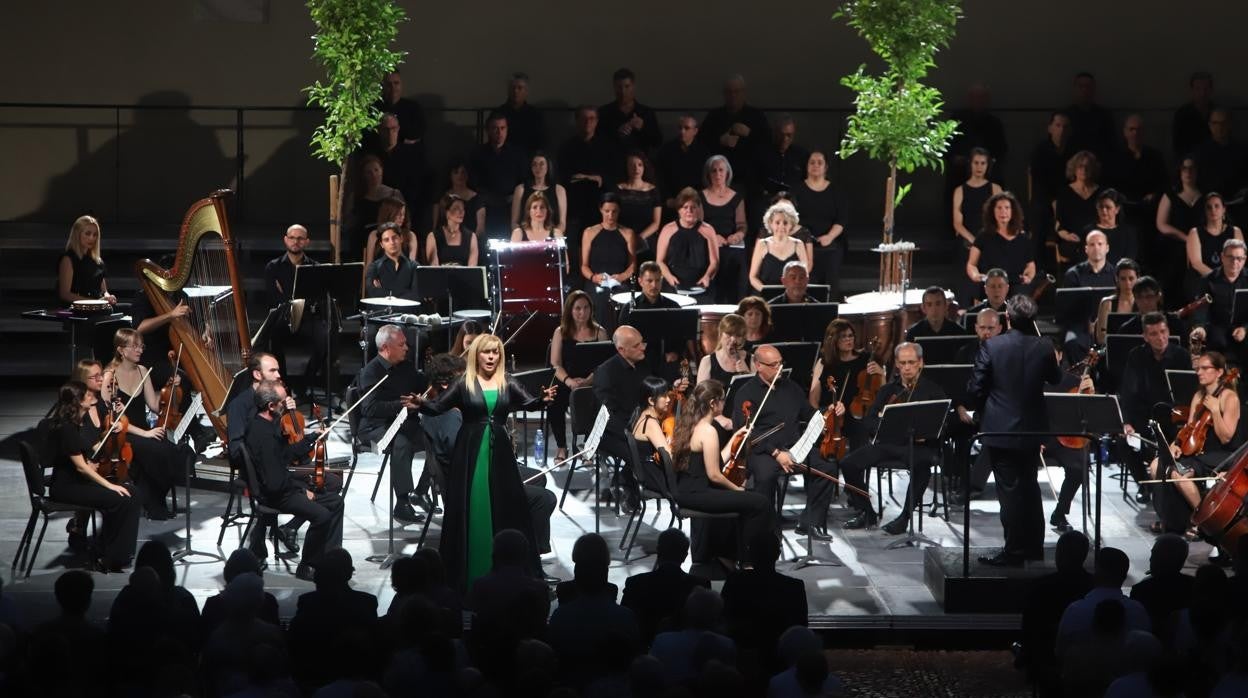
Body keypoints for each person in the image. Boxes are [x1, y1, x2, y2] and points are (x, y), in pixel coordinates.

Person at [413, 334, 556, 589]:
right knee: (476, 506)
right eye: (486, 352)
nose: (491, 357)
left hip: (499, 452)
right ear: (476, 355)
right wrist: (420, 404)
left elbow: (530, 403)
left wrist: (543, 400)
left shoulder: (507, 382)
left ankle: (511, 574)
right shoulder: (462, 382)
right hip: (471, 451)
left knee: (506, 507)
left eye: (495, 353)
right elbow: (437, 408)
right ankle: (473, 574)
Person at [969, 295, 1062, 566]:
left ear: (1007, 318)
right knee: (1030, 487)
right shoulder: (1044, 346)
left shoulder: (992, 346)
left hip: (1000, 430)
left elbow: (976, 388)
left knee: (1009, 491)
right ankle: (1033, 548)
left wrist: (984, 406)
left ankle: (1014, 551)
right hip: (1032, 430)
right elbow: (1055, 378)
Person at [732, 344, 839, 538]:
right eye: (773, 365)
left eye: (780, 363)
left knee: (827, 469)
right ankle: (767, 529)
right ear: (758, 365)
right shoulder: (746, 393)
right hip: (763, 451)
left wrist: (828, 413)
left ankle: (810, 522)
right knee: (765, 477)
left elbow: (809, 413)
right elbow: (746, 432)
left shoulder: (791, 387)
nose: (779, 368)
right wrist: (776, 453)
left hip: (794, 448)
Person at [837, 342, 945, 533]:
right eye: (902, 363)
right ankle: (866, 511)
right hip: (888, 444)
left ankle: (904, 518)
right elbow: (869, 420)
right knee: (848, 463)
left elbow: (943, 425)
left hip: (919, 446)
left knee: (922, 467)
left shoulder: (933, 390)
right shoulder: (888, 390)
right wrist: (884, 426)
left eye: (911, 362)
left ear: (921, 363)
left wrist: (926, 434)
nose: (906, 367)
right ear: (896, 363)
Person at [244, 380, 344, 581]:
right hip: (275, 495)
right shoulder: (263, 436)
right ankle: (308, 565)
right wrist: (301, 489)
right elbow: (274, 483)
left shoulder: (266, 423)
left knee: (336, 502)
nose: (286, 405)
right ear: (271, 406)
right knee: (322, 516)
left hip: (281, 487)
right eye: (282, 402)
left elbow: (286, 454)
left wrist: (310, 438)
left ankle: (329, 559)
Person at [668, 380, 770, 566]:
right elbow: (714, 474)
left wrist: (736, 437)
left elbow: (715, 460)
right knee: (760, 503)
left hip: (687, 491)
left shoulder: (691, 424)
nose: (725, 404)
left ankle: (730, 556)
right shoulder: (708, 431)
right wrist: (737, 489)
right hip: (698, 493)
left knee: (748, 501)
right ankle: (750, 562)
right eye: (723, 400)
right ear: (713, 403)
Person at [44, 381, 139, 572]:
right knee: (119, 499)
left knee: (132, 493)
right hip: (66, 488)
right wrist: (110, 485)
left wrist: (112, 432)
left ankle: (115, 552)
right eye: (87, 396)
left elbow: (96, 448)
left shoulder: (79, 423)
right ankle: (110, 555)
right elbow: (80, 468)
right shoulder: (67, 427)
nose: (92, 398)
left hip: (79, 483)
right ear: (77, 401)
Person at [1148, 350, 1240, 536]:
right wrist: (1175, 443)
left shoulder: (1230, 398)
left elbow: (1226, 437)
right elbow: (1189, 427)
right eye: (1198, 369)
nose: (1199, 372)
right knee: (1156, 465)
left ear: (1220, 372)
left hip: (1218, 453)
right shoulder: (1198, 396)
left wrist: (1215, 411)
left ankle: (1203, 520)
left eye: (1205, 368)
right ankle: (1170, 518)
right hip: (1196, 450)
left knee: (1179, 476)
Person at [101, 328, 181, 520]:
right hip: (123, 433)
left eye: (141, 346)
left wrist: (170, 388)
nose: (140, 350)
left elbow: (154, 406)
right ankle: (154, 501)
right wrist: (146, 434)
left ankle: (152, 498)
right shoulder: (109, 376)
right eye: (134, 346)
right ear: (121, 350)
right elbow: (112, 419)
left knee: (180, 453)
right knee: (161, 453)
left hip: (144, 431)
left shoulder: (143, 371)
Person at [1119, 312, 1192, 504]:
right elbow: (1127, 393)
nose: (1160, 338)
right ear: (1145, 337)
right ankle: (1145, 485)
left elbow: (1187, 395)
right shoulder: (1136, 356)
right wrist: (1127, 423)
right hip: (1143, 418)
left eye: (1163, 331)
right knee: (1124, 443)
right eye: (1154, 334)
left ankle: (1171, 487)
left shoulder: (1181, 356)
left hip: (1172, 418)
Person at [357, 324, 427, 524]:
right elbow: (369, 409)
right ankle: (402, 502)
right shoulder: (371, 372)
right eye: (402, 344)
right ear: (386, 348)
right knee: (402, 441)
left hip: (404, 422)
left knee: (436, 436)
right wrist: (401, 405)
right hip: (375, 428)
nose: (407, 348)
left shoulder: (405, 366)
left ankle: (421, 492)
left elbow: (422, 385)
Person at [1019, 530, 1093, 695]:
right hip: (1087, 661)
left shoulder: (1040, 587)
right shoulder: (1093, 585)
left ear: (1059, 555)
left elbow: (1029, 628)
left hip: (1047, 659)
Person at [263, 224, 329, 395]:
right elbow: (273, 298)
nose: (295, 241)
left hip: (307, 318)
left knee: (325, 340)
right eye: (292, 237)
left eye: (300, 238)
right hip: (283, 318)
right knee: (273, 338)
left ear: (306, 242)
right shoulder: (273, 267)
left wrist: (288, 296)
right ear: (285, 240)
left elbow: (316, 297)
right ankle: (283, 384)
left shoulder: (315, 267)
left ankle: (304, 383)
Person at [621, 528, 711, 645]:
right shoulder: (700, 586)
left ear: (658, 551)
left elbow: (625, 624)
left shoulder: (635, 583)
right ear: (684, 556)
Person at [548, 290, 609, 462]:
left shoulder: (600, 332)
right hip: (567, 380)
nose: (582, 312)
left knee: (595, 398)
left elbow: (604, 365)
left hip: (592, 380)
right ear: (570, 310)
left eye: (586, 308)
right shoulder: (560, 332)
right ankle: (562, 446)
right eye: (577, 308)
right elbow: (555, 364)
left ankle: (588, 446)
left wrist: (588, 380)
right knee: (554, 399)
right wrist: (569, 381)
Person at [1044, 339, 1097, 533]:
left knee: (1078, 466)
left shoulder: (1075, 381)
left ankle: (1060, 513)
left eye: (1052, 354)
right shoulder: (1031, 380)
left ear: (1059, 356)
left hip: (1065, 437)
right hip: (1037, 435)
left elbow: (1089, 418)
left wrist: (1090, 394)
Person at [809, 319, 884, 451]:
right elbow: (813, 399)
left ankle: (855, 467)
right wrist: (822, 417)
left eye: (850, 335)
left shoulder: (865, 359)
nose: (849, 340)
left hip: (857, 414)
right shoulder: (824, 362)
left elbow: (881, 391)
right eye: (843, 336)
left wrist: (881, 374)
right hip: (831, 412)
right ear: (833, 340)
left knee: (861, 426)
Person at [700, 75, 770, 195]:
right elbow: (700, 143)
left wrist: (749, 133)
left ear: (743, 93)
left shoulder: (756, 116)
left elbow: (768, 143)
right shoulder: (714, 116)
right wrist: (720, 141)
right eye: (729, 92)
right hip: (720, 178)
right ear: (724, 94)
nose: (733, 96)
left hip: (749, 179)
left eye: (736, 92)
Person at [559, 106, 616, 251]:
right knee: (572, 249)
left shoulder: (608, 147)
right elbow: (563, 177)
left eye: (591, 119)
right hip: (574, 208)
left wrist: (594, 178)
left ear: (597, 121)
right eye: (583, 119)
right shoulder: (567, 147)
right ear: (576, 121)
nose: (587, 122)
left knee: (599, 248)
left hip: (599, 208)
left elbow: (613, 176)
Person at [952, 148, 1004, 303]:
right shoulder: (960, 190)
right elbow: (957, 223)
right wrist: (975, 241)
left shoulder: (995, 188)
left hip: (990, 236)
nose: (979, 167)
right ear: (971, 164)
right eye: (976, 163)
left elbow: (1002, 217)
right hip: (969, 237)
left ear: (988, 165)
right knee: (966, 252)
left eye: (983, 163)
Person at [579, 193, 638, 328]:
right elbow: (584, 266)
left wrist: (622, 276)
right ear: (601, 210)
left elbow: (633, 265)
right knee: (599, 299)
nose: (610, 216)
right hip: (597, 281)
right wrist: (594, 277)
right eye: (607, 211)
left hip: (619, 281)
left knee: (622, 300)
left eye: (614, 212)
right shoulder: (589, 232)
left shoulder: (627, 233)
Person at [794, 150, 847, 293]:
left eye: (819, 162)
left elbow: (841, 219)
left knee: (831, 278)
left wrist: (829, 237)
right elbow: (792, 219)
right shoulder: (797, 189)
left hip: (829, 242)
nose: (815, 165)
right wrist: (806, 239)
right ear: (806, 166)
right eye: (812, 162)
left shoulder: (836, 190)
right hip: (803, 243)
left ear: (826, 167)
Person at [470, 112, 528, 241]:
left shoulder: (517, 154)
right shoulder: (478, 154)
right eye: (495, 128)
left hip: (511, 207)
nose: (499, 132)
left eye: (502, 128)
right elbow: (474, 182)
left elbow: (524, 181)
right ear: (488, 130)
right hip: (487, 208)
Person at [966, 191, 1036, 295]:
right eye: (999, 208)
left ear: (1013, 211)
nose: (1003, 211)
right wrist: (975, 275)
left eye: (1007, 208)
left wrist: (1029, 277)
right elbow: (971, 264)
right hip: (992, 283)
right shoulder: (983, 235)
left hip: (1016, 284)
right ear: (992, 211)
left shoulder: (1022, 237)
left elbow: (1031, 265)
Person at [1190, 238, 1248, 359]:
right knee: (1215, 341)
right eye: (1230, 257)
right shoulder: (1208, 280)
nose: (1234, 262)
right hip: (1218, 330)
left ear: (1245, 260)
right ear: (1222, 257)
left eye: (1239, 258)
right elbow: (1201, 308)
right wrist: (1200, 326)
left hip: (1244, 328)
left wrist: (1245, 329)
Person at [1156, 157, 1204, 300]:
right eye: (1184, 168)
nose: (1188, 172)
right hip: (1175, 246)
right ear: (1179, 172)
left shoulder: (1206, 195)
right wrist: (1186, 238)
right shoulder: (1171, 195)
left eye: (1191, 168)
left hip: (1202, 246)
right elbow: (1161, 224)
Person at [701, 154, 748, 301]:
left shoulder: (737, 197)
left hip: (731, 243)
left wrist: (738, 235)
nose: (717, 174)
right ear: (708, 174)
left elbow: (742, 225)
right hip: (708, 243)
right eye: (713, 171)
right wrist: (713, 237)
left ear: (727, 173)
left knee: (736, 258)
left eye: (721, 170)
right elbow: (698, 225)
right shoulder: (701, 196)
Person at [1028, 111, 1073, 264]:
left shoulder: (1073, 151)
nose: (1062, 130)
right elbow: (1039, 183)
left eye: (1065, 126)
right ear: (1050, 128)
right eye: (1058, 125)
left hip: (1067, 199)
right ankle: (1039, 271)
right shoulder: (1040, 151)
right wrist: (1054, 202)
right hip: (1044, 200)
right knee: (1039, 218)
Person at [655, 187, 718, 291]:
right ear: (679, 210)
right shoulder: (668, 230)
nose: (689, 211)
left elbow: (714, 262)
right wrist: (669, 278)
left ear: (698, 209)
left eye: (693, 207)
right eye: (685, 207)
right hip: (673, 283)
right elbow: (660, 261)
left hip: (701, 283)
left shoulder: (708, 230)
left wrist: (707, 276)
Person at [346, 153, 403, 262]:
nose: (373, 175)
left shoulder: (393, 194)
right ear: (363, 175)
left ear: (382, 170)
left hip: (386, 241)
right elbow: (349, 222)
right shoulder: (356, 197)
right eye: (369, 172)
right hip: (361, 243)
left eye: (376, 170)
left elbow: (402, 218)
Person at [1186, 192, 1244, 295]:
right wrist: (1220, 280)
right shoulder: (1195, 233)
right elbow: (1197, 264)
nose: (1213, 210)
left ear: (1224, 209)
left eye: (1217, 206)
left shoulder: (1235, 231)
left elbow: (1240, 258)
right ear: (1205, 211)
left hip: (1231, 281)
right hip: (1204, 283)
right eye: (1209, 207)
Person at [597, 67, 662, 155]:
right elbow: (597, 142)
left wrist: (643, 127)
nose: (623, 91)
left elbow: (657, 142)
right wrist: (616, 133)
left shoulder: (646, 113)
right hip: (613, 163)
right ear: (614, 87)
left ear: (633, 86)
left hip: (640, 164)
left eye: (627, 86)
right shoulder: (604, 112)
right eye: (619, 87)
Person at [747, 200, 808, 292]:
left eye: (785, 223)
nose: (781, 226)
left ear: (791, 225)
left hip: (791, 297)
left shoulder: (798, 244)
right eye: (777, 222)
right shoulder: (762, 244)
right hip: (765, 296)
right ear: (770, 224)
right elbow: (753, 277)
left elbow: (805, 275)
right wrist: (767, 292)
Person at [1053, 151, 1103, 262]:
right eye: (1080, 166)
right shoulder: (1065, 192)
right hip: (1072, 238)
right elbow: (1059, 225)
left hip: (1096, 238)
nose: (1084, 170)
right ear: (1074, 169)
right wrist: (1067, 236)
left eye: (1087, 166)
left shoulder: (1101, 193)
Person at [656, 114, 711, 214]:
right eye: (680, 128)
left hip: (696, 200)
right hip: (672, 200)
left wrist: (697, 199)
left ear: (695, 131)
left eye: (686, 128)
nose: (682, 131)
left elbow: (706, 179)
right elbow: (660, 177)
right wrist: (667, 198)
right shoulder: (666, 150)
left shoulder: (704, 152)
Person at [58, 215, 117, 305]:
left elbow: (104, 291)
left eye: (95, 235)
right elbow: (65, 294)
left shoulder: (98, 260)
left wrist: (108, 297)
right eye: (87, 233)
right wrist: (95, 302)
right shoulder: (68, 259)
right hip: (78, 308)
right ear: (77, 234)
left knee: (129, 308)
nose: (92, 238)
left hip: (98, 306)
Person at [614, 151, 662, 256]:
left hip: (646, 240)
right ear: (626, 167)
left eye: (639, 165)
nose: (636, 169)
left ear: (644, 167)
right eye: (632, 165)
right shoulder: (617, 189)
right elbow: (612, 217)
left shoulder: (653, 190)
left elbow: (656, 223)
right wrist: (628, 238)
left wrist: (639, 238)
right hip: (622, 239)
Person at [510, 152, 567, 231]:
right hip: (526, 238)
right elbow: (514, 222)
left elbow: (562, 223)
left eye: (541, 164)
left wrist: (552, 237)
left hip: (551, 238)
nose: (538, 167)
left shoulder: (559, 190)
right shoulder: (520, 189)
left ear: (547, 167)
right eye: (535, 164)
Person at [1064, 72, 1116, 159]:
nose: (1084, 90)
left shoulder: (1105, 116)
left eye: (1088, 86)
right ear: (1075, 89)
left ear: (1094, 89)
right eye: (1080, 86)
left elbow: (1111, 146)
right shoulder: (1064, 117)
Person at [364, 223, 419, 300]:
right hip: (382, 311)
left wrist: (386, 293)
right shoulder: (374, 267)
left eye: (394, 238)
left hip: (407, 311)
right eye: (386, 240)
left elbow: (416, 294)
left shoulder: (414, 267)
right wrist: (405, 292)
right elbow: (372, 292)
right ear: (382, 244)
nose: (392, 242)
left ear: (401, 238)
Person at [1093, 258, 1142, 344]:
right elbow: (1100, 338)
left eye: (1131, 278)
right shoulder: (1107, 303)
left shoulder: (1144, 303)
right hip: (1112, 349)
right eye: (1123, 279)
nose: (1127, 283)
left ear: (1137, 279)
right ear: (1117, 279)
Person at [495, 72, 544, 156]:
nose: (515, 91)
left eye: (520, 88)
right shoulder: (498, 113)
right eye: (513, 88)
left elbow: (542, 141)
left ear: (526, 91)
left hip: (528, 157)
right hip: (504, 157)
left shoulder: (535, 115)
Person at [696, 313, 751, 388]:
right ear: (721, 333)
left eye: (738, 336)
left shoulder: (752, 360)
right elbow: (701, 395)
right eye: (729, 334)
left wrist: (746, 373)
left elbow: (756, 392)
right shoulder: (707, 361)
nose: (733, 340)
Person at [424, 193, 479, 267]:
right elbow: (434, 267)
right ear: (447, 212)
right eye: (456, 208)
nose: (461, 212)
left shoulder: (471, 236)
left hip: (464, 277)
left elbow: (472, 268)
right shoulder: (433, 236)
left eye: (463, 208)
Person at [430, 160, 485, 234]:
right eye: (456, 172)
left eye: (463, 172)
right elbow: (436, 227)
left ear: (467, 174)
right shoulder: (442, 197)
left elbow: (480, 228)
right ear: (450, 175)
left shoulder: (477, 198)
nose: (460, 175)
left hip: (470, 241)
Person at [1173, 72, 1215, 159]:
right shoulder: (1182, 114)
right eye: (1198, 89)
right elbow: (1178, 146)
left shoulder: (1217, 112)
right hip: (1191, 160)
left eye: (1206, 89)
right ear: (1192, 90)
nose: (1203, 93)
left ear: (1211, 90)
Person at [376, 70, 424, 145]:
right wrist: (403, 139)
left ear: (401, 85)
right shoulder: (375, 108)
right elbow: (372, 137)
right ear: (382, 86)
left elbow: (418, 134)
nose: (393, 87)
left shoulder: (413, 107)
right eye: (389, 84)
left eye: (396, 83)